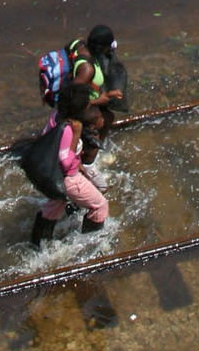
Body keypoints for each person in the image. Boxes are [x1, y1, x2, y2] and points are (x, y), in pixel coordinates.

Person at [26, 90, 109, 244]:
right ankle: (91, 245)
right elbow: (65, 162)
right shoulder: (70, 129)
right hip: (68, 178)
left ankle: (38, 245)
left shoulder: (55, 117)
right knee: (100, 206)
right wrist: (76, 135)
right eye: (86, 106)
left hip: (54, 177)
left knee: (53, 210)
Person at [67, 24, 130, 157]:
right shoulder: (87, 69)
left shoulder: (79, 44)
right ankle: (89, 161)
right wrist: (99, 100)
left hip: (84, 99)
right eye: (109, 47)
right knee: (102, 122)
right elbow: (71, 100)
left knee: (107, 116)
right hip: (78, 108)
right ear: (102, 48)